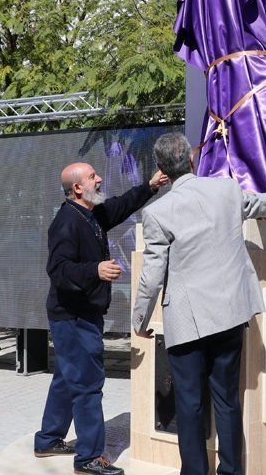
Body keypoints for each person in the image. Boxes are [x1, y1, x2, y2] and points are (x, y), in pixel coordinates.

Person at [132, 133, 266, 475]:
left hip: (187, 322)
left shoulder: (157, 212)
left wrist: (140, 320)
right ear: (190, 161)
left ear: (162, 171)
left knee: (189, 405)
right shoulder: (227, 191)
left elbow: (152, 275)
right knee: (227, 400)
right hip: (229, 315)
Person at [35, 161, 168, 475]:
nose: (100, 178)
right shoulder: (66, 222)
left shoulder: (91, 214)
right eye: (93, 176)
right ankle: (89, 458)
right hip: (73, 316)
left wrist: (149, 186)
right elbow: (58, 270)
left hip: (80, 314)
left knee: (68, 378)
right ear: (78, 188)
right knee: (88, 384)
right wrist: (94, 270)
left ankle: (48, 439)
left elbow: (119, 207)